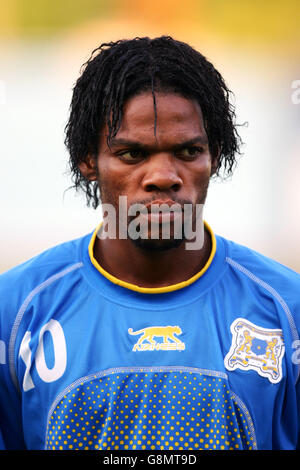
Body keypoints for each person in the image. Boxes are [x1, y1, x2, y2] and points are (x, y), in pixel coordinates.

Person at [0, 36, 299, 451]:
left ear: (215, 156)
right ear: (89, 159)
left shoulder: (287, 308)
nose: (163, 175)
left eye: (188, 150)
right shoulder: (15, 311)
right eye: (132, 154)